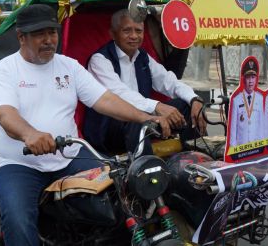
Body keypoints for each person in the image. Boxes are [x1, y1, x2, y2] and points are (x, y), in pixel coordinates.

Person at [0, 4, 169, 246]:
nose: (49, 40)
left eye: (52, 32)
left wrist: (145, 117)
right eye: (40, 34)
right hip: (20, 163)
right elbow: (6, 115)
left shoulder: (68, 66)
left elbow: (104, 99)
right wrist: (30, 134)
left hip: (71, 155)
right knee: (19, 222)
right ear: (21, 37)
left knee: (120, 197)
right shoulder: (4, 70)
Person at [84, 9, 206, 155]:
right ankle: (147, 170)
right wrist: (157, 106)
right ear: (113, 33)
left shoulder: (142, 57)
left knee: (186, 105)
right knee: (135, 120)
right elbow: (119, 94)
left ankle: (193, 158)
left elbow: (168, 81)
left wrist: (194, 99)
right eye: (127, 31)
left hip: (146, 118)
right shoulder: (100, 60)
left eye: (139, 31)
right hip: (109, 128)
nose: (134, 36)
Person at [228, 58, 264, 147]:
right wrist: (234, 150)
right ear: (243, 79)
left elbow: (262, 126)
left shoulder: (260, 99)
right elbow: (233, 129)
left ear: (256, 79)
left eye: (253, 77)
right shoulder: (236, 100)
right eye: (248, 77)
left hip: (256, 147)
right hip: (241, 148)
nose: (251, 81)